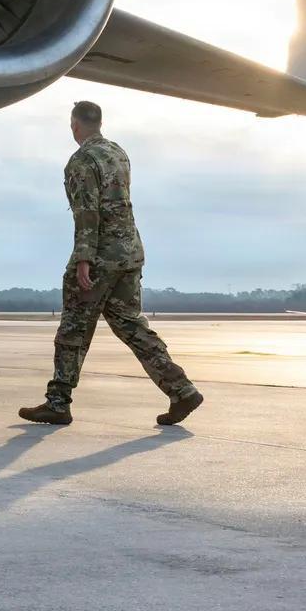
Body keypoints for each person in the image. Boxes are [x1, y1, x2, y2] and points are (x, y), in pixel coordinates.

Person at [19, 100, 204, 427]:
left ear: (75, 125)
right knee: (131, 325)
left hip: (101, 255)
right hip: (129, 252)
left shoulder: (82, 160)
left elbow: (86, 212)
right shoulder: (118, 153)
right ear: (99, 124)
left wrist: (84, 258)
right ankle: (181, 389)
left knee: (73, 329)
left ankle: (58, 403)